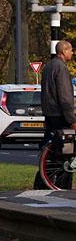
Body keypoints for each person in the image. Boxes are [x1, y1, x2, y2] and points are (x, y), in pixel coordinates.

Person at [36, 40, 76, 188]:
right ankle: (63, 182)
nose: (72, 53)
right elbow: (65, 96)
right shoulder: (61, 68)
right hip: (60, 115)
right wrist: (71, 119)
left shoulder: (48, 66)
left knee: (52, 150)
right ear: (63, 52)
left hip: (49, 114)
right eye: (70, 50)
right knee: (66, 149)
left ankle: (43, 181)